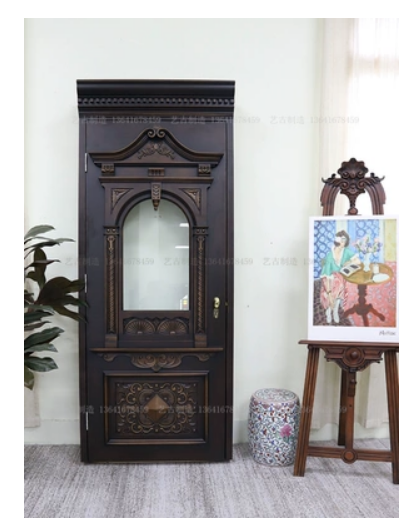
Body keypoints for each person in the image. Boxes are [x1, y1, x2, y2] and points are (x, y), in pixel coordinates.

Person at [319, 230, 360, 324]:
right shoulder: (330, 255)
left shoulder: (346, 251)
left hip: (340, 278)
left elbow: (358, 261)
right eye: (340, 239)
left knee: (340, 282)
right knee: (337, 283)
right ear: (336, 240)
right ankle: (329, 310)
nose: (342, 241)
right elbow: (326, 275)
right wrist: (329, 294)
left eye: (344, 240)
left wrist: (349, 262)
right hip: (329, 279)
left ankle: (335, 310)